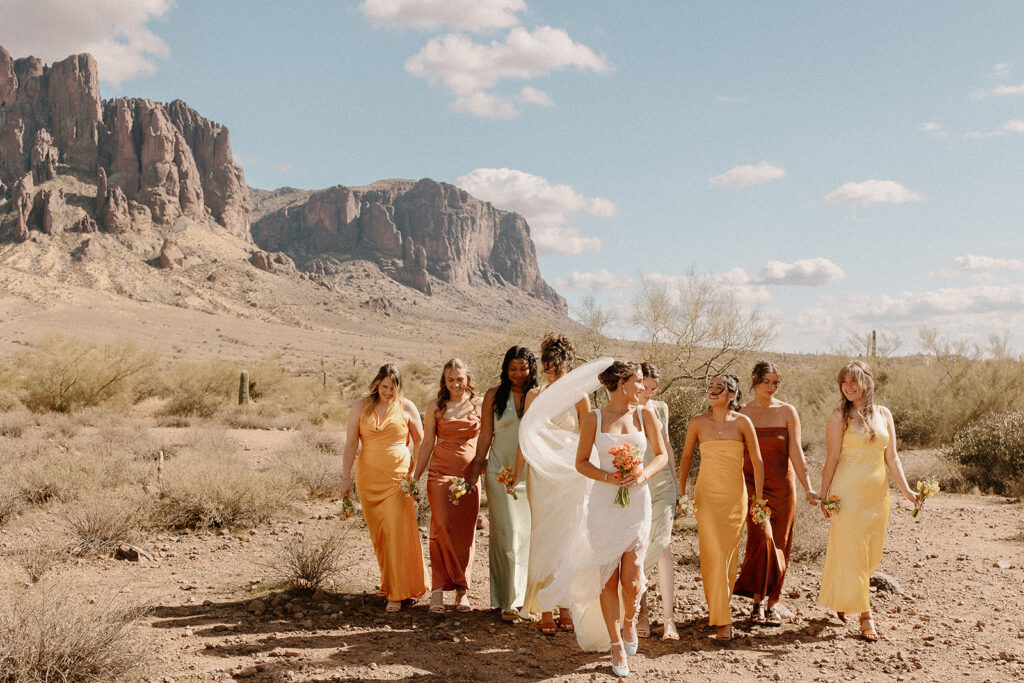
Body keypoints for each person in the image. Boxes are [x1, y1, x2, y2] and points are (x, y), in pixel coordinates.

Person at [818, 360, 920, 641]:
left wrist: (908, 491)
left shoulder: (884, 414)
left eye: (853, 381)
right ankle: (866, 616)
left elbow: (893, 457)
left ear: (867, 383)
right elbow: (832, 458)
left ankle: (845, 598)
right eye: (844, 382)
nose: (848, 387)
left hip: (877, 495)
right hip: (847, 494)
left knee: (872, 554)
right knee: (855, 553)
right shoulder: (839, 416)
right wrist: (824, 496)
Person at [677, 373, 771, 641]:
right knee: (712, 555)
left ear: (732, 395)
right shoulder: (698, 423)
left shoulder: (743, 422)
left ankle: (721, 611)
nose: (713, 391)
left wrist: (759, 498)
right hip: (706, 497)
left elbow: (757, 459)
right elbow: (685, 457)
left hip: (734, 498)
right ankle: (722, 619)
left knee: (728, 558)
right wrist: (681, 493)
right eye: (711, 387)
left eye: (720, 388)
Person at [734, 361, 819, 626]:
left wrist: (808, 487)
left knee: (780, 544)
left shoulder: (787, 411)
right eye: (766, 382)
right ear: (754, 381)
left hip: (783, 486)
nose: (771, 387)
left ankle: (771, 603)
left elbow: (796, 451)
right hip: (752, 486)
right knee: (762, 539)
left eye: (775, 383)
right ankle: (757, 600)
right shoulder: (741, 413)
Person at [340, 364, 428, 612]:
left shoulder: (407, 407)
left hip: (397, 480)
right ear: (377, 383)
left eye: (393, 387)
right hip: (368, 479)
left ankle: (397, 594)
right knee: (380, 535)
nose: (388, 392)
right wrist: (345, 479)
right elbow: (350, 444)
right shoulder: (361, 405)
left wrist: (414, 475)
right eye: (385, 386)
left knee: (396, 532)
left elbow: (421, 442)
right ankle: (390, 582)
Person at [520, 333, 590, 634]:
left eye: (557, 368)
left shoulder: (580, 396)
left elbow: (589, 437)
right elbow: (526, 437)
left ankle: (566, 605)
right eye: (548, 368)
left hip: (572, 478)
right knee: (544, 538)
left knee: (568, 539)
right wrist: (515, 472)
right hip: (542, 477)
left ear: (569, 366)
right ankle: (546, 607)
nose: (552, 373)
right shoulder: (534, 396)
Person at [469, 346, 537, 621]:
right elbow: (485, 435)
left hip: (530, 473)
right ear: (505, 369)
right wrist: (475, 467)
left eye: (523, 368)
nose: (518, 374)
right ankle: (508, 600)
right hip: (499, 471)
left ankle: (526, 599)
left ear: (532, 368)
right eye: (513, 369)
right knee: (507, 533)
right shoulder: (493, 396)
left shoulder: (538, 396)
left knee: (527, 536)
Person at [413, 358, 483, 614]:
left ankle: (462, 591)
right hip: (440, 474)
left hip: (469, 477)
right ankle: (438, 591)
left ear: (467, 380)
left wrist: (482, 468)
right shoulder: (435, 406)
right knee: (440, 527)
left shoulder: (479, 404)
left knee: (465, 534)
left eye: (460, 379)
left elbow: (487, 439)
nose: (455, 383)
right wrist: (415, 476)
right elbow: (427, 442)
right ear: (444, 380)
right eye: (450, 379)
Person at [635, 362, 680, 640]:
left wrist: (676, 484)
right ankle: (641, 612)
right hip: (638, 485)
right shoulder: (626, 409)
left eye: (654, 388)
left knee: (663, 545)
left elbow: (667, 447)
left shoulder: (660, 408)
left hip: (663, 484)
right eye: (645, 387)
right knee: (639, 546)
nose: (649, 393)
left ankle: (669, 621)